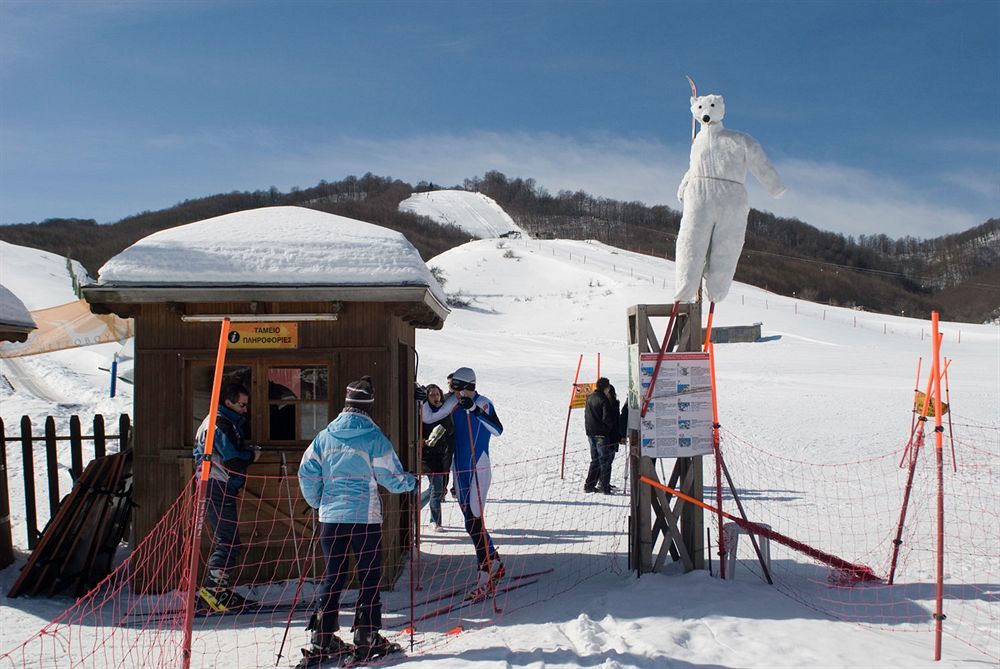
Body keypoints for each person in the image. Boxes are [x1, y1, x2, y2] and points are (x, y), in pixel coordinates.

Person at [296, 376, 415, 668]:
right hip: (364, 519)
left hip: (332, 519)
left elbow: (306, 472)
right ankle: (366, 635)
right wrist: (410, 482)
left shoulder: (325, 436)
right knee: (369, 577)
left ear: (346, 405)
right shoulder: (374, 438)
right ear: (368, 407)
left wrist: (319, 501)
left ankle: (322, 637)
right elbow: (391, 477)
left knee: (333, 577)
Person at [423, 367, 505, 600]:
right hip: (460, 469)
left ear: (465, 386)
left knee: (474, 521)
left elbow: (497, 430)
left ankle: (485, 572)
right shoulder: (455, 404)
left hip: (478, 466)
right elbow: (430, 417)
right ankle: (494, 561)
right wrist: (422, 401)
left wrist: (476, 410)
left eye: (454, 388)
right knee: (471, 521)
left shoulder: (484, 402)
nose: (452, 393)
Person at [192, 382, 261, 611]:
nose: (245, 409)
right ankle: (212, 593)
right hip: (217, 484)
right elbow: (232, 458)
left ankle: (216, 590)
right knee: (228, 540)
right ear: (228, 402)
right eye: (241, 404)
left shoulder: (213, 422)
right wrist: (251, 455)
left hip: (212, 483)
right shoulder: (220, 423)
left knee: (227, 539)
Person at [420, 383, 454, 531]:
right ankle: (435, 521)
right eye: (432, 394)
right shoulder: (423, 412)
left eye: (437, 394)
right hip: (427, 456)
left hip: (441, 454)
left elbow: (450, 430)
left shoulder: (444, 412)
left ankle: (416, 506)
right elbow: (416, 429)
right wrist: (421, 441)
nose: (435, 397)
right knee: (437, 488)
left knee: (436, 489)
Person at [584, 377, 615, 495]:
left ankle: (589, 485)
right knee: (604, 460)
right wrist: (608, 429)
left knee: (595, 459)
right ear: (606, 388)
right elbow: (607, 418)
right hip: (601, 434)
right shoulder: (604, 399)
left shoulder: (589, 398)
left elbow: (586, 416)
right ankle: (604, 486)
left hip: (591, 433)